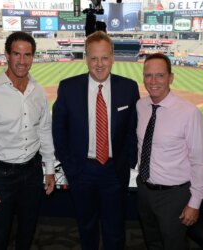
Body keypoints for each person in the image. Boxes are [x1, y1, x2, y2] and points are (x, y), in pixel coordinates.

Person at [0, 31, 55, 250]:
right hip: (2, 175)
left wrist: (49, 168)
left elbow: (44, 130)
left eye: (27, 55)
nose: (22, 61)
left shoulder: (39, 92)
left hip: (33, 172)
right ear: (7, 55)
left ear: (33, 57)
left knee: (27, 230)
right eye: (17, 54)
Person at [52, 31, 140, 250]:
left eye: (104, 58)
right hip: (81, 171)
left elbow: (132, 129)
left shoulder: (129, 88)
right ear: (86, 58)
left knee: (115, 229)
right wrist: (71, 166)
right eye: (93, 58)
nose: (99, 64)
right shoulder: (68, 88)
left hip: (114, 171)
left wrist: (127, 162)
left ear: (112, 57)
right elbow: (58, 131)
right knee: (86, 227)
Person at [136, 53, 203, 250]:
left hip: (174, 196)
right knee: (152, 241)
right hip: (144, 190)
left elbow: (200, 162)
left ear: (171, 77)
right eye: (148, 75)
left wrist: (194, 203)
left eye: (160, 75)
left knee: (173, 244)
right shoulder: (141, 106)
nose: (153, 81)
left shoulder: (189, 113)